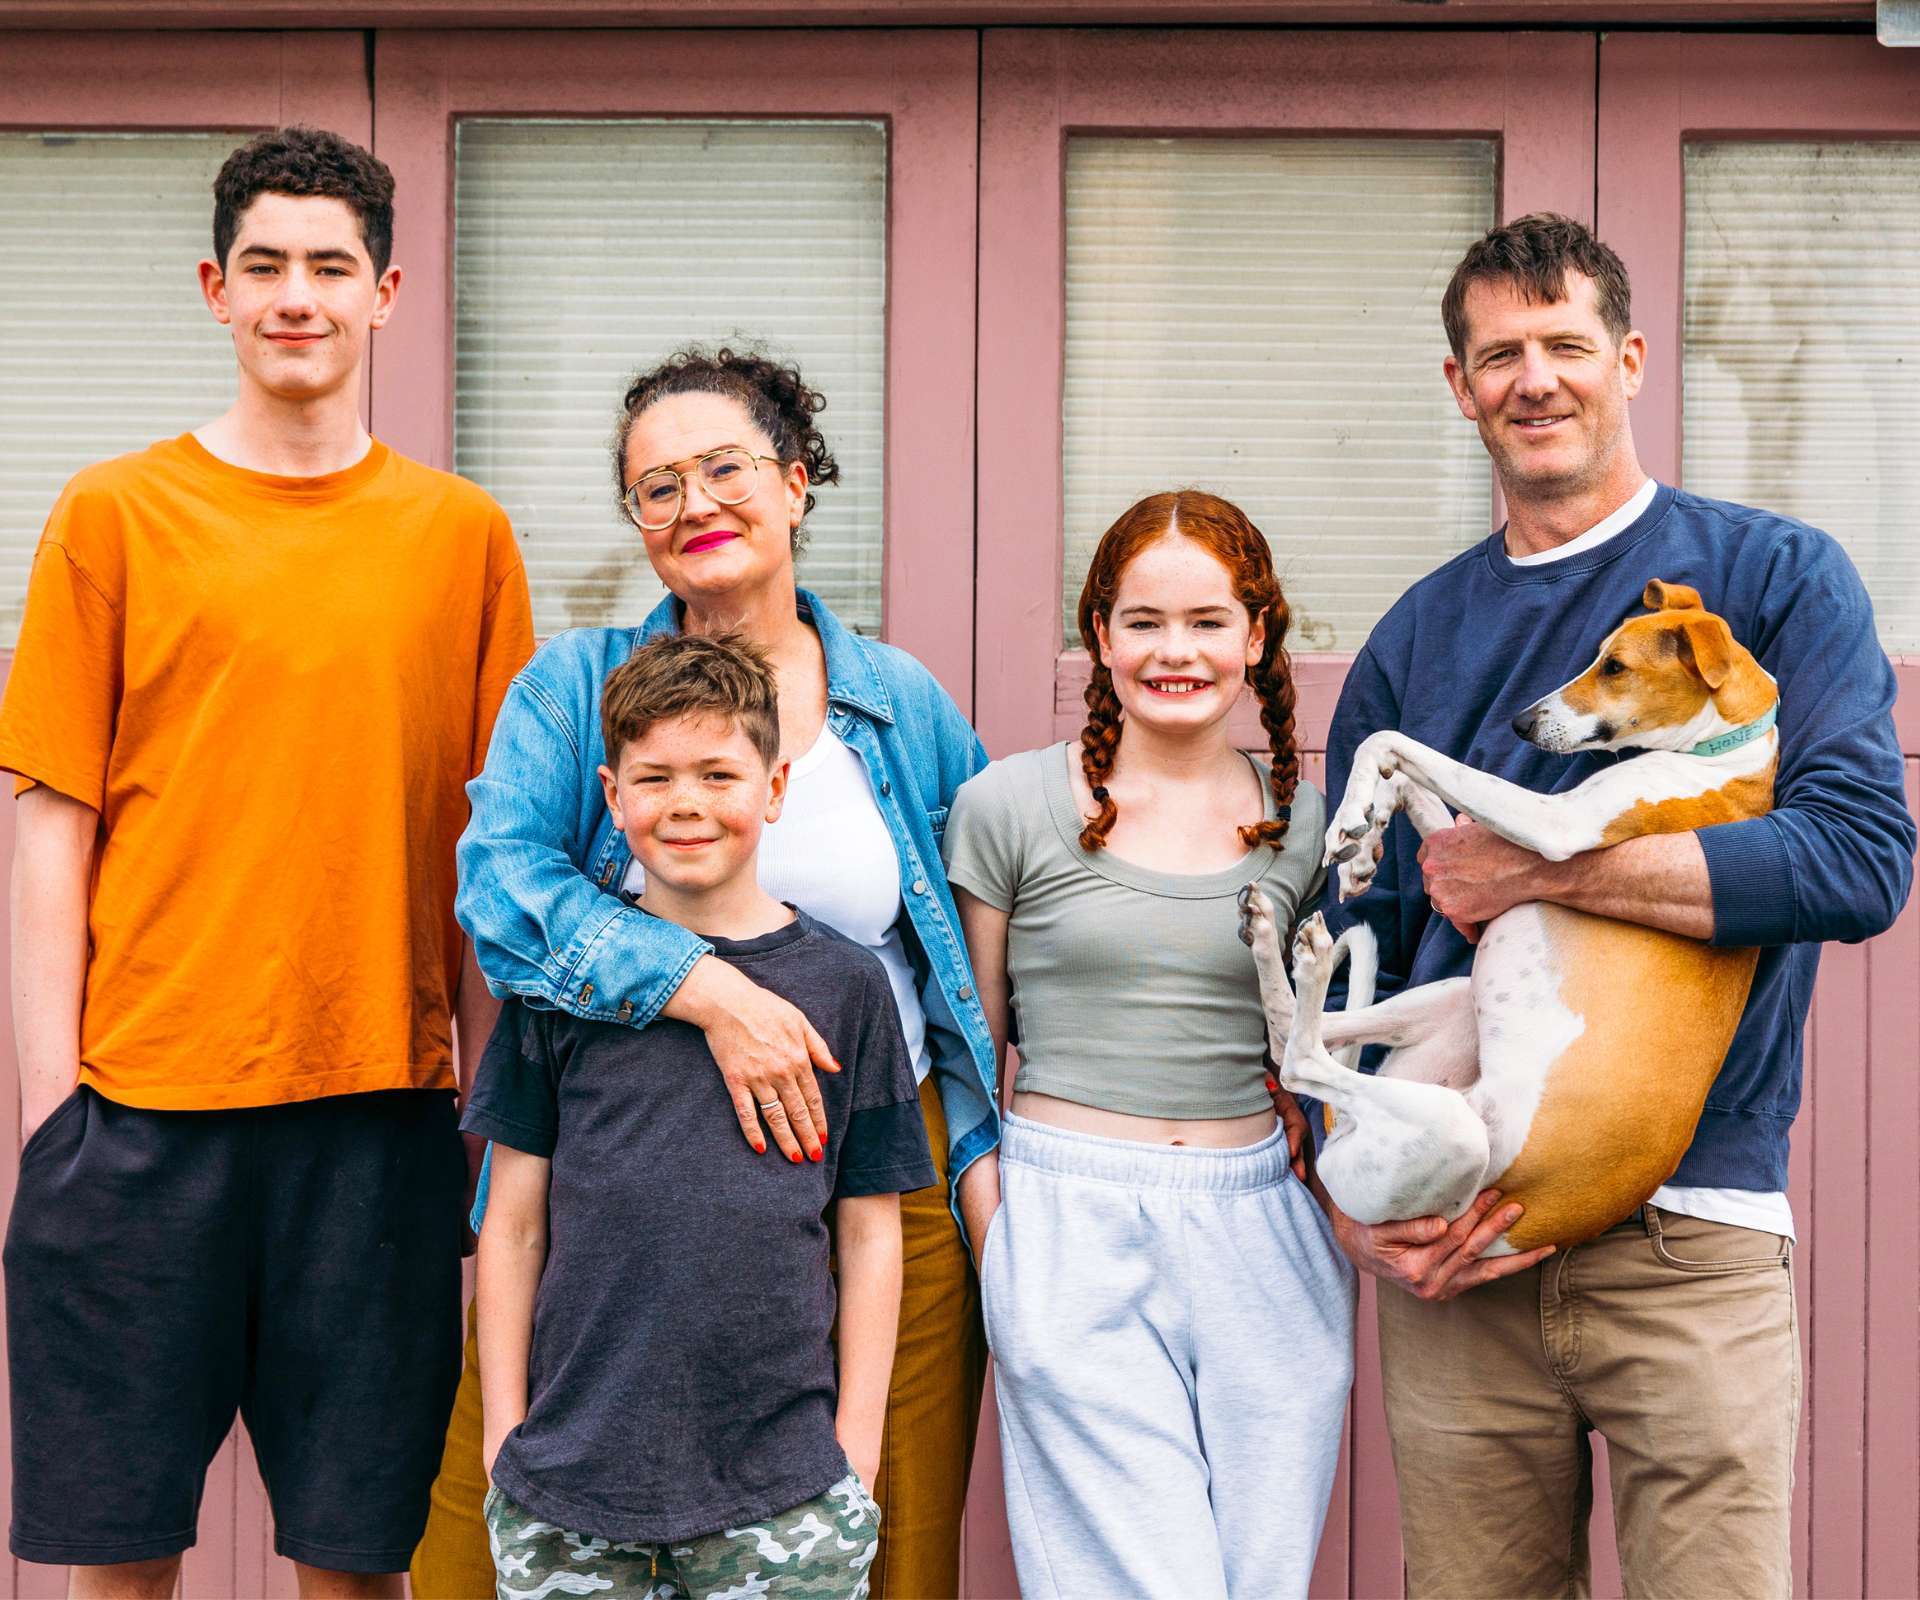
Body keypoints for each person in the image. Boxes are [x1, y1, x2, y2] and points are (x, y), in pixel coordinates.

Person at [1320, 213, 1915, 1597]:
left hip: (1689, 1230)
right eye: (1499, 354)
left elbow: (1856, 858)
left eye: (1566, 345)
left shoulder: (1773, 582)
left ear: (1632, 359)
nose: (1536, 378)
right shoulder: (1417, 636)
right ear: (1460, 387)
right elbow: (1342, 930)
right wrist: (1339, 1176)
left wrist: (1539, 872)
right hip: (1468, 1239)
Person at [0, 127, 532, 1599]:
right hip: (141, 1118)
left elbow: (492, 857)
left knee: (359, 1570)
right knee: (115, 1568)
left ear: (388, 292)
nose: (297, 294)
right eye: (265, 266)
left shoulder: (461, 536)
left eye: (330, 266)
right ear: (215, 290)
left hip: (380, 1125)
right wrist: (56, 1122)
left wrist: (485, 1121)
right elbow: (54, 821)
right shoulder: (114, 514)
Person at [411, 348, 998, 1600]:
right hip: (612, 1169)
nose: (694, 505)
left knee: (885, 1549)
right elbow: (501, 895)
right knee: (485, 1546)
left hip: (871, 1177)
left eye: (724, 468)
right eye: (656, 486)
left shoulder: (900, 701)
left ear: (795, 483)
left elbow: (986, 921)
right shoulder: (578, 690)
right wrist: (712, 991)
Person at [942, 490, 1354, 1600]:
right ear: (1100, 635)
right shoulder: (1009, 804)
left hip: (1262, 1224)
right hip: (1070, 1217)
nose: (1177, 650)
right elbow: (967, 1055)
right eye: (1144, 620)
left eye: (1210, 621)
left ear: (1256, 636)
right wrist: (1001, 1239)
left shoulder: (1303, 817)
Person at [466, 632, 932, 1599]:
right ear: (611, 795)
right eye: (655, 777)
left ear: (774, 789)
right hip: (569, 1490)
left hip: (787, 1494)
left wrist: (857, 1453)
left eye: (719, 773)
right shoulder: (561, 992)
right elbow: (511, 1226)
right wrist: (505, 1437)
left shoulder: (846, 990)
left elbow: (869, 1232)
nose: (685, 803)